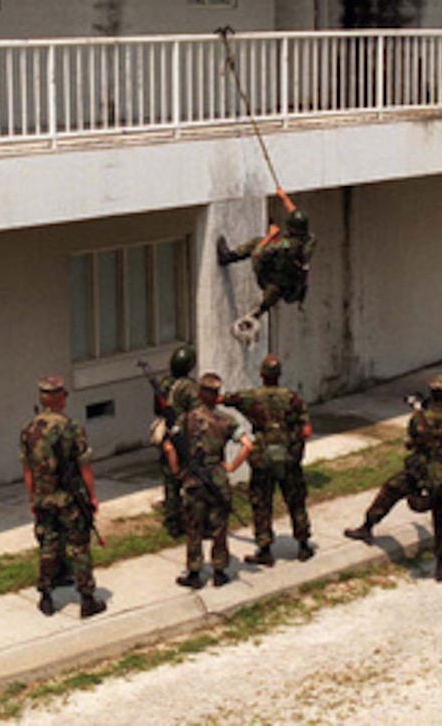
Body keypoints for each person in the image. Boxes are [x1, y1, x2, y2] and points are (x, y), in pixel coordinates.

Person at [344, 375, 442, 582]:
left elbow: (409, 444)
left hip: (419, 472)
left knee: (390, 490)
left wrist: (418, 414)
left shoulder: (418, 420)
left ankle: (367, 527)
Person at [20, 376, 106, 619]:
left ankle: (46, 597)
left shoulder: (29, 430)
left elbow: (27, 470)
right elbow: (84, 466)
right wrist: (92, 497)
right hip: (70, 498)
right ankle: (87, 599)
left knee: (48, 544)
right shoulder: (72, 428)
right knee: (79, 546)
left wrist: (32, 499)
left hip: (43, 498)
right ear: (59, 399)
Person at [162, 373, 253, 589]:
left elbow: (168, 446)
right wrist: (231, 466)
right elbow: (247, 444)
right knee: (219, 526)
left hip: (194, 479)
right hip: (217, 478)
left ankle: (194, 572)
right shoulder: (226, 420)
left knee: (194, 526)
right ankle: (220, 570)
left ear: (201, 393)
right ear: (217, 394)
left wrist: (177, 472)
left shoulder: (186, 419)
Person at [224, 354, 314, 566]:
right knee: (295, 500)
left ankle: (264, 548)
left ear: (262, 374)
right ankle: (303, 545)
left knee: (261, 502)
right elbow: (306, 429)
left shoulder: (251, 397)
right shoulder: (293, 398)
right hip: (288, 458)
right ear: (279, 374)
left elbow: (227, 399)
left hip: (263, 459)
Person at [217, 188, 316, 343]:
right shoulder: (309, 241)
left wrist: (270, 235)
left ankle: (228, 257)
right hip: (292, 285)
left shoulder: (283, 245)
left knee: (257, 242)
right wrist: (285, 199)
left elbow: (257, 254)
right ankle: (258, 311)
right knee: (274, 291)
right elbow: (297, 217)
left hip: (270, 278)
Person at [155, 345, 201, 539]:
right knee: (191, 476)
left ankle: (173, 521)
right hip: (185, 437)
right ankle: (192, 518)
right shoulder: (190, 388)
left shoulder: (162, 383)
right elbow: (197, 414)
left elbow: (157, 409)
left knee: (170, 479)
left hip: (168, 435)